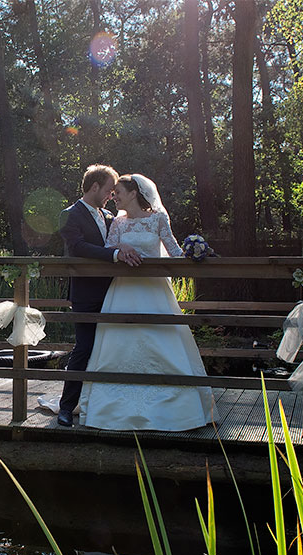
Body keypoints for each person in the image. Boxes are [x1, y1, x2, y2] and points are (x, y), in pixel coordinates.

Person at [78, 174, 214, 431]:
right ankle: (111, 409)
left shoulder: (159, 219)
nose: (114, 196)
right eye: (113, 192)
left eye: (118, 192)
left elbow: (173, 251)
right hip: (123, 293)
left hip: (154, 292)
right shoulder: (117, 222)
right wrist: (121, 249)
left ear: (134, 193)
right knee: (118, 346)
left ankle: (174, 409)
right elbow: (108, 248)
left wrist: (195, 252)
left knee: (162, 343)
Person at [54, 165, 141, 427]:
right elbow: (78, 247)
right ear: (94, 187)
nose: (110, 196)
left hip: (115, 291)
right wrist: (114, 254)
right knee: (84, 347)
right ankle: (67, 407)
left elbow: (119, 239)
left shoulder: (109, 216)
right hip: (86, 293)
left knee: (115, 347)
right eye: (107, 190)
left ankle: (112, 404)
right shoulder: (69, 215)